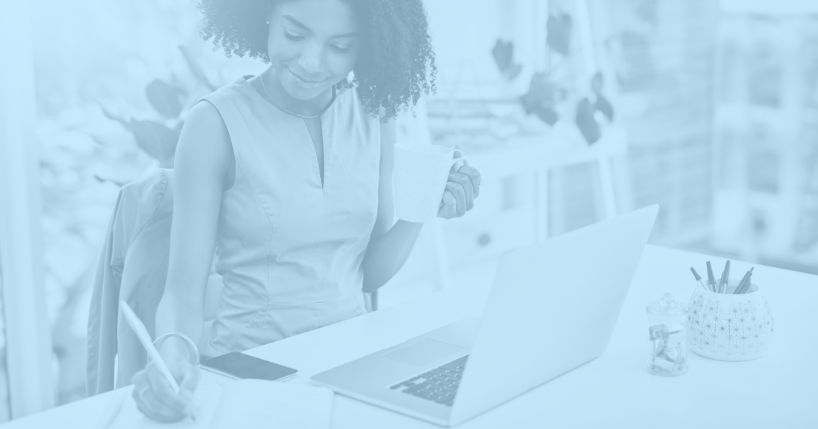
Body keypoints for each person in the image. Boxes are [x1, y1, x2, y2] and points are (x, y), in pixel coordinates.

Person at [131, 0, 481, 422]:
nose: (312, 62)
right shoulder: (213, 124)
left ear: (367, 47)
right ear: (264, 17)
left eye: (340, 46)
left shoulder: (373, 114)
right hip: (254, 371)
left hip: (354, 362)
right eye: (294, 35)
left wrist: (422, 208)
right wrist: (172, 358)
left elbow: (365, 275)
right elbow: (183, 292)